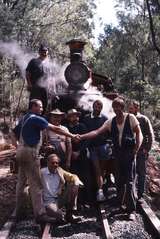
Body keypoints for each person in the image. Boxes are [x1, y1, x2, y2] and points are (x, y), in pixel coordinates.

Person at [11, 99, 78, 223]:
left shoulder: (25, 118)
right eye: (40, 107)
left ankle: (18, 212)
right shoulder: (36, 118)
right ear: (33, 107)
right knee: (36, 185)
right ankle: (40, 215)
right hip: (30, 152)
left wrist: (17, 146)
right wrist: (72, 136)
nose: (42, 109)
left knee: (21, 183)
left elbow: (13, 132)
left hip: (20, 151)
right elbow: (55, 128)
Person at [80, 97, 143, 220]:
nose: (116, 109)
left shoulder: (130, 118)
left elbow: (138, 133)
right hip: (118, 154)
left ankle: (131, 210)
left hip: (129, 153)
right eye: (115, 107)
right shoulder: (110, 122)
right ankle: (121, 205)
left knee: (129, 182)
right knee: (119, 180)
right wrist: (81, 137)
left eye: (119, 106)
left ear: (122, 107)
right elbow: (97, 132)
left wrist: (136, 149)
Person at [41, 153, 83, 223]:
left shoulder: (59, 170)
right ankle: (54, 214)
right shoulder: (42, 172)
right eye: (52, 163)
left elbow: (72, 176)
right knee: (59, 216)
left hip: (59, 198)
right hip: (49, 202)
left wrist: (76, 181)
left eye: (56, 163)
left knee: (74, 184)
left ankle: (70, 214)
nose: (55, 165)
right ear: (47, 162)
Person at [82, 100, 110, 202]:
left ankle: (100, 187)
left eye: (100, 106)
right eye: (96, 105)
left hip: (103, 147)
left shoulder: (105, 119)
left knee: (102, 170)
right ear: (93, 106)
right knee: (97, 169)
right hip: (92, 147)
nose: (98, 107)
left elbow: (108, 133)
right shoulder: (86, 118)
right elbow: (84, 132)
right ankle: (100, 191)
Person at [128, 100, 154, 201]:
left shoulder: (143, 119)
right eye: (129, 107)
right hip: (130, 151)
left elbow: (150, 135)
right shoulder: (127, 118)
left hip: (141, 150)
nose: (130, 109)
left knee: (141, 172)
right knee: (131, 173)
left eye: (132, 107)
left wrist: (147, 149)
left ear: (137, 108)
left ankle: (140, 195)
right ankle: (132, 195)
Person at [65, 109, 91, 207]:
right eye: (72, 116)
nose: (74, 117)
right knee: (74, 179)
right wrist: (71, 153)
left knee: (85, 178)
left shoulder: (82, 126)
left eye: (76, 115)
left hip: (82, 156)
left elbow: (87, 140)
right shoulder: (66, 128)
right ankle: (76, 202)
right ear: (68, 118)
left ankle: (86, 201)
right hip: (71, 158)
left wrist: (79, 152)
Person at [26, 44, 49, 113]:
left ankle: (42, 118)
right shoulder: (33, 61)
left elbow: (50, 77)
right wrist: (29, 84)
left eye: (45, 52)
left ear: (47, 53)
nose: (44, 53)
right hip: (35, 87)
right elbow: (27, 73)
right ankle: (31, 118)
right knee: (34, 103)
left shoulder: (48, 63)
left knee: (44, 104)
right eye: (42, 51)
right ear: (39, 52)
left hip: (45, 88)